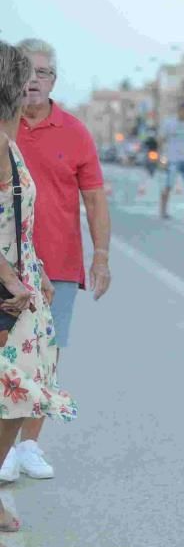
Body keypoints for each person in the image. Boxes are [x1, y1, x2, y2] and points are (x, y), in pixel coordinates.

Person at [0, 39, 105, 484]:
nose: (34, 81)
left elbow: (95, 198)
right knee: (10, 362)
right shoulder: (6, 130)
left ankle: (26, 446)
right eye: (27, 72)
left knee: (43, 356)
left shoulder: (74, 130)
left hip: (54, 264)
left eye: (43, 73)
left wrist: (100, 255)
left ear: (54, 80)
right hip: (10, 265)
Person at [0, 41, 78, 547]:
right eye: (26, 75)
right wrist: (9, 277)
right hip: (7, 293)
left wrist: (38, 270)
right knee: (13, 395)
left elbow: (14, 217)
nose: (32, 83)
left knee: (20, 396)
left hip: (23, 287)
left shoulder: (8, 138)